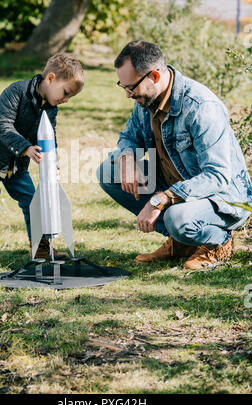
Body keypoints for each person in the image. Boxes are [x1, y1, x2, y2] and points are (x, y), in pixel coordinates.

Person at [97, 41, 252, 270]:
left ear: (155, 77)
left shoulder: (201, 107)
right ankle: (183, 242)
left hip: (223, 199)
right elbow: (128, 137)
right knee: (109, 171)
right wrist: (127, 159)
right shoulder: (146, 99)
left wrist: (161, 199)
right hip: (180, 189)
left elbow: (218, 176)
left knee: (176, 218)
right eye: (123, 87)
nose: (128, 95)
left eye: (131, 88)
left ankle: (218, 241)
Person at [0, 53, 84, 281]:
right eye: (66, 93)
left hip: (16, 167)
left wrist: (54, 164)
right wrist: (25, 148)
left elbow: (49, 138)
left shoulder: (50, 109)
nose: (66, 99)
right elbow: (2, 125)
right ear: (51, 78)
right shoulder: (16, 92)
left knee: (35, 202)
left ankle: (41, 249)